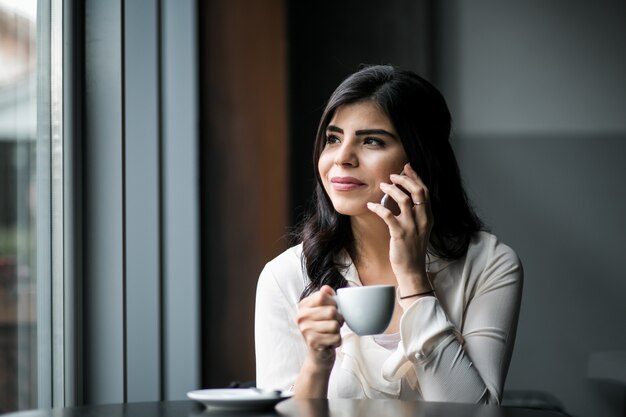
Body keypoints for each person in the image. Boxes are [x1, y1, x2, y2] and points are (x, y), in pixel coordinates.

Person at [255, 65, 523, 404]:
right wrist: (316, 365)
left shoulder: (489, 264)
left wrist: (414, 281)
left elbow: (476, 412)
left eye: (371, 141)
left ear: (421, 159)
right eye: (333, 139)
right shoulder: (286, 275)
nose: (342, 158)